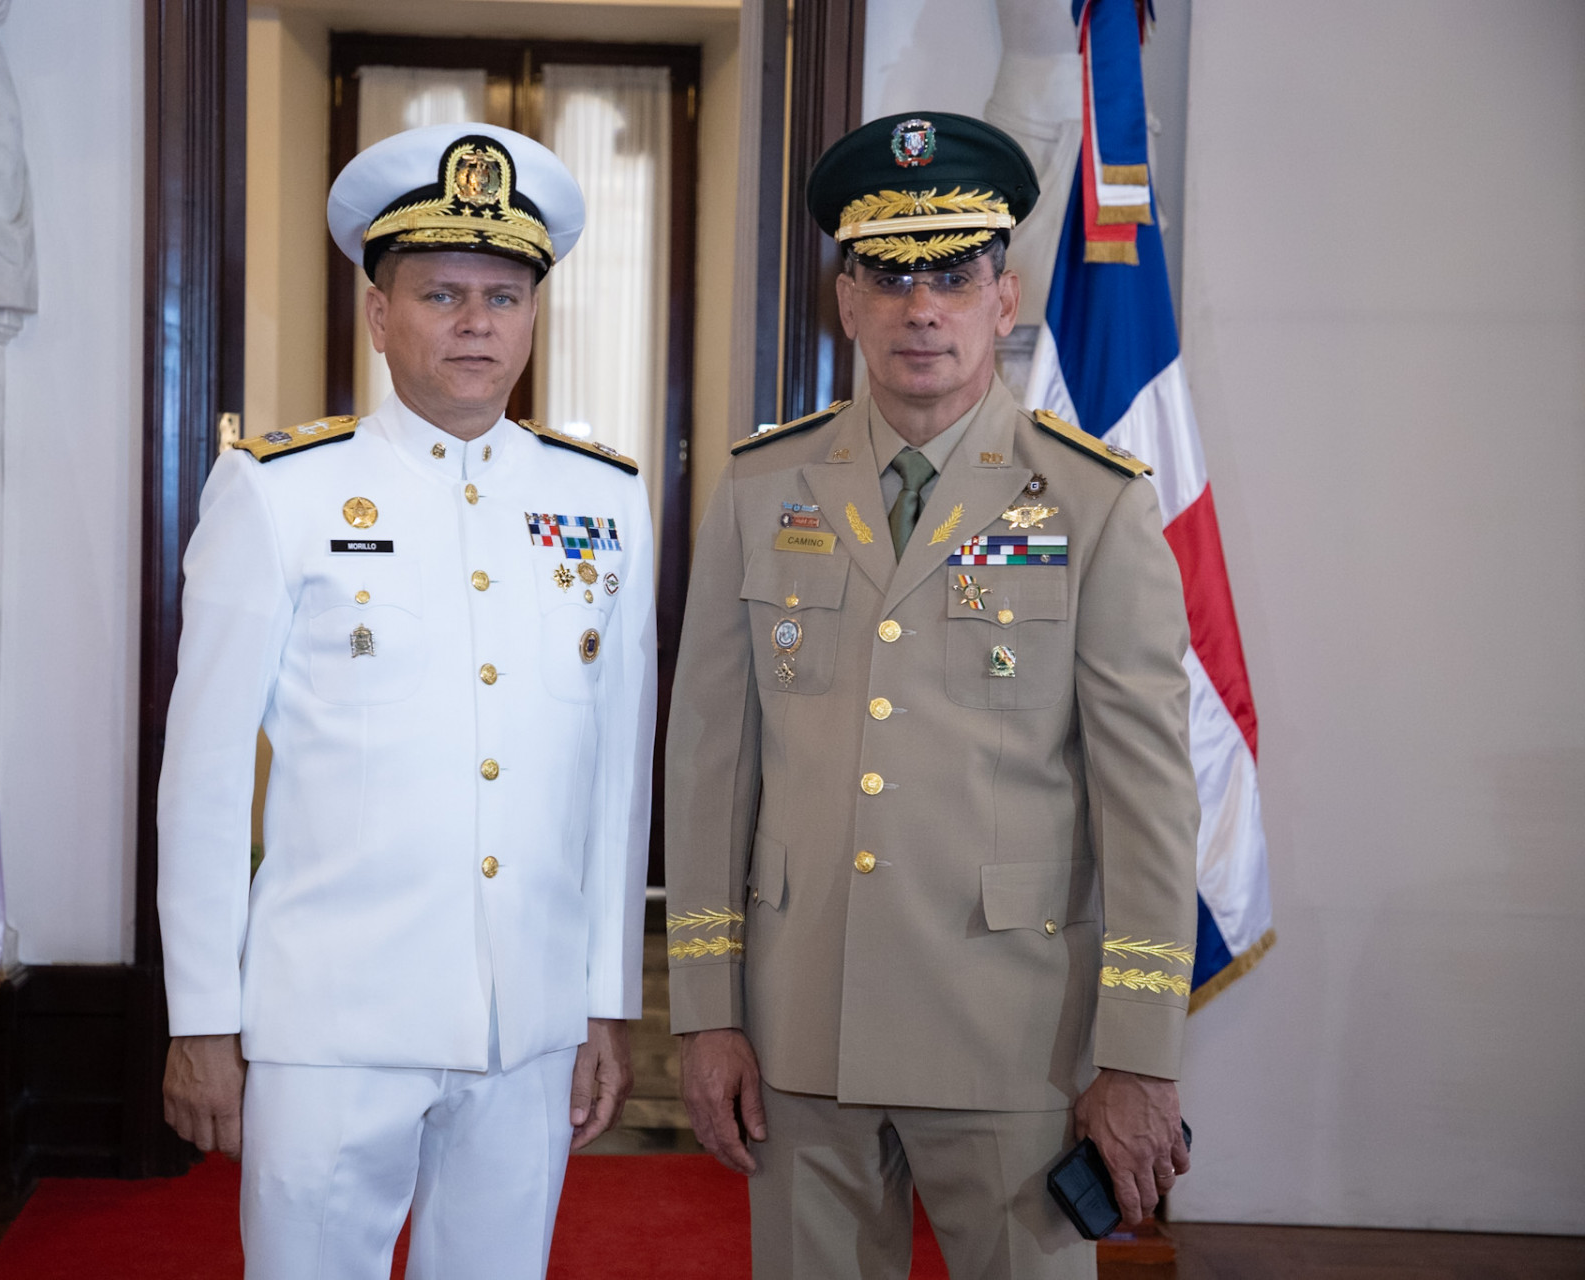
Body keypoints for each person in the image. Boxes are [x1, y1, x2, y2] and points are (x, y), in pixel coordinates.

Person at [663, 112, 1200, 1279]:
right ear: (845, 302)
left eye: (954, 277)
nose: (922, 309)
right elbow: (710, 763)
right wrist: (707, 1008)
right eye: (890, 277)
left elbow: (1148, 801)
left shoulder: (1093, 503)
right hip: (802, 1027)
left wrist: (1138, 1050)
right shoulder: (762, 487)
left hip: (1013, 1035)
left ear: (1005, 300)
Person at [155, 122, 656, 1280]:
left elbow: (617, 778)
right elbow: (205, 779)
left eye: (503, 296)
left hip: (527, 1023)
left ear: (534, 316)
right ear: (379, 315)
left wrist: (604, 1000)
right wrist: (201, 1016)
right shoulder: (280, 492)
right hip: (331, 1022)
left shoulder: (604, 501)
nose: (477, 322)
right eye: (441, 294)